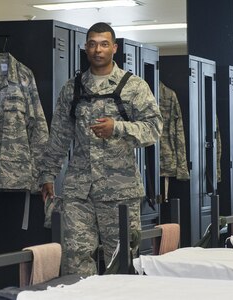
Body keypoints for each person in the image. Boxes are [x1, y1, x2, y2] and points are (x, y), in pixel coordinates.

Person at [39, 22, 163, 276]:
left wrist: (118, 128)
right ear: (86, 48)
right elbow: (59, 136)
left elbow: (154, 128)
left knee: (121, 261)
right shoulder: (72, 88)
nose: (98, 50)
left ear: (114, 48)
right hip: (78, 191)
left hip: (120, 191)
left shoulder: (134, 86)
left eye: (104, 44)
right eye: (93, 44)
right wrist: (48, 175)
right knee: (74, 258)